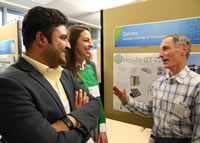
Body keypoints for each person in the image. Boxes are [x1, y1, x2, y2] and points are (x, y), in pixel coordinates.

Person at [0, 6, 101, 143]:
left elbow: (95, 105)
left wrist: (70, 120)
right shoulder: (9, 83)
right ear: (41, 39)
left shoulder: (65, 75)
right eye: (63, 38)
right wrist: (82, 124)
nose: (68, 45)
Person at [113, 34, 200, 143]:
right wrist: (127, 101)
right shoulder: (158, 84)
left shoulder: (196, 85)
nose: (160, 55)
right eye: (160, 50)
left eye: (165, 49)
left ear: (183, 50)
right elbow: (150, 110)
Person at [64, 25, 108, 143]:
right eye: (86, 40)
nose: (91, 45)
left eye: (91, 40)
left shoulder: (91, 66)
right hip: (77, 129)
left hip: (94, 128)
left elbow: (97, 100)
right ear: (73, 43)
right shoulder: (63, 71)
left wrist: (102, 129)